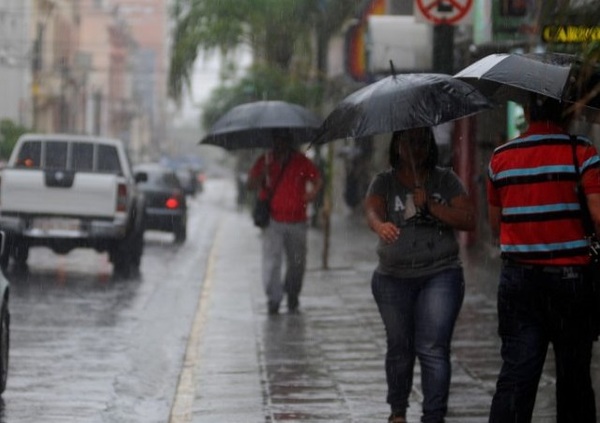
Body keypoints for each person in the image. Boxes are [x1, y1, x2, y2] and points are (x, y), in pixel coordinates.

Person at [487, 94, 600, 422]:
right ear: (565, 111)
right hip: (571, 282)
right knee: (574, 377)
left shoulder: (501, 157)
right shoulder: (581, 152)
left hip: (518, 281)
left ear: (525, 111)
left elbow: (497, 224)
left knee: (517, 376)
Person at [365, 127, 475, 423]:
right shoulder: (384, 182)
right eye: (409, 141)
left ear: (430, 144)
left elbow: (468, 219)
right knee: (400, 346)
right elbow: (372, 212)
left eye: (422, 141)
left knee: (433, 347)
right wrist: (380, 226)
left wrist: (433, 206)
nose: (416, 148)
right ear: (397, 145)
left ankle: (433, 415)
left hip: (440, 273)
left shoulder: (445, 180)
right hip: (392, 277)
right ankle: (398, 410)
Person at [247, 129, 322, 315]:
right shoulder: (265, 161)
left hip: (298, 220)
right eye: (277, 140)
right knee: (272, 261)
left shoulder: (301, 161)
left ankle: (292, 293)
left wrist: (312, 193)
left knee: (297, 262)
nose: (280, 144)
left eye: (284, 140)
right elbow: (250, 185)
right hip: (273, 220)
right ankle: (273, 299)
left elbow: (317, 179)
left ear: (289, 141)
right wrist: (262, 173)